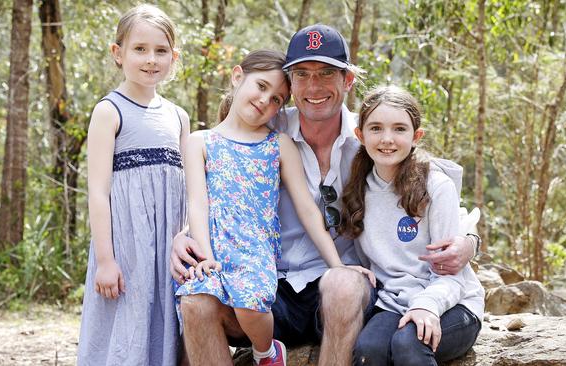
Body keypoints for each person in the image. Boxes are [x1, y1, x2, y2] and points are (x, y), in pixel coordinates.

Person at [170, 24, 478, 366]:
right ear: (290, 83)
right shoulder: (268, 129)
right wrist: (185, 236)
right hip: (267, 286)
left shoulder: (371, 136)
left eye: (326, 73)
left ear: (347, 81)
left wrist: (469, 240)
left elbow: (429, 181)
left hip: (339, 293)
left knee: (343, 283)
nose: (314, 86)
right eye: (302, 74)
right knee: (196, 303)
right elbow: (222, 187)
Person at [174, 49, 374, 366]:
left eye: (277, 99)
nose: (266, 101)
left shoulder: (283, 143)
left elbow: (309, 211)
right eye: (261, 87)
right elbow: (198, 203)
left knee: (251, 301)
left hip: (259, 259)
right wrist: (195, 245)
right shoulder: (201, 141)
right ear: (237, 76)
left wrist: (338, 265)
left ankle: (266, 353)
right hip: (222, 256)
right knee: (194, 300)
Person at [77, 4, 189, 366]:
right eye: (140, 49)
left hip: (168, 245)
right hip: (126, 246)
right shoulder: (110, 111)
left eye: (160, 51)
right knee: (127, 320)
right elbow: (98, 191)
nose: (150, 59)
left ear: (173, 57)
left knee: (165, 322)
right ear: (118, 53)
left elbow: (188, 190)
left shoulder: (178, 116)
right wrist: (106, 260)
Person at [342, 86, 484, 365]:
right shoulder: (358, 187)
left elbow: (451, 274)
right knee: (369, 350)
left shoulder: (436, 186)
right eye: (375, 128)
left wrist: (427, 306)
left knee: (409, 343)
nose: (387, 139)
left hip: (453, 302)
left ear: (416, 136)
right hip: (393, 303)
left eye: (399, 129)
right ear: (360, 135)